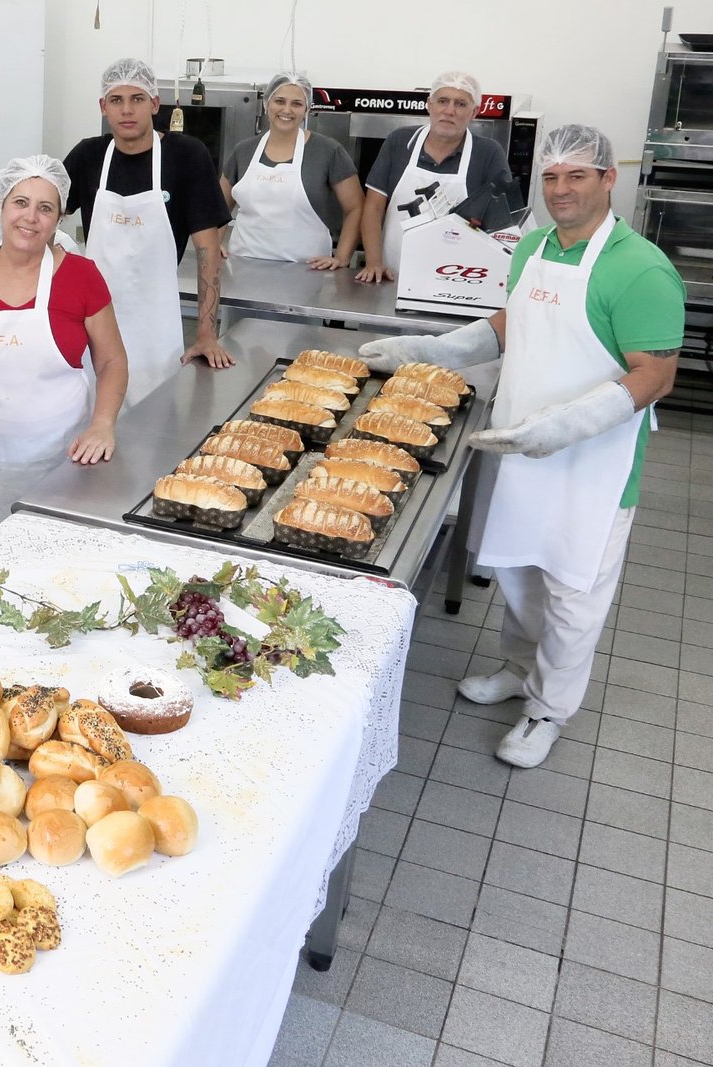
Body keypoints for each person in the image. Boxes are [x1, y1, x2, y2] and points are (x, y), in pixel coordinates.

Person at [358, 126, 685, 769]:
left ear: (608, 178)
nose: (561, 189)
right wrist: (436, 349)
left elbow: (655, 375)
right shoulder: (533, 245)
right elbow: (514, 325)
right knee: (518, 568)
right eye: (551, 177)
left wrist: (564, 426)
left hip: (592, 464)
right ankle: (517, 667)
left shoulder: (642, 268)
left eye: (577, 176)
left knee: (572, 591)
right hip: (517, 443)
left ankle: (547, 709)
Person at [0, 156, 129, 551]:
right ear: (2, 206)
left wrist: (103, 424)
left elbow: (112, 362)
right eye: (20, 202)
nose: (30, 217)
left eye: (45, 208)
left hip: (59, 463)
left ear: (59, 219)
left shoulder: (82, 277)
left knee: (52, 565)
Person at [63, 58, 234, 405]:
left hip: (156, 328)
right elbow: (44, 217)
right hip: (93, 324)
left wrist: (206, 332)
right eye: (116, 100)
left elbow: (207, 249)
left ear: (155, 104)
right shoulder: (88, 156)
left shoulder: (186, 156)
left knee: (153, 421)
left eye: (137, 99)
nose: (127, 110)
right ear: (103, 107)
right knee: (91, 417)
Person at [356, 70, 517, 285]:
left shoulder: (488, 153)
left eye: (461, 104)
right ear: (429, 104)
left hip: (458, 280)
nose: (449, 111)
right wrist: (374, 262)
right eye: (443, 101)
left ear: (474, 112)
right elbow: (373, 207)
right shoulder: (399, 142)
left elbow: (502, 226)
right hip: (391, 274)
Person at [220, 71, 362, 269]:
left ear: (307, 109)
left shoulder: (328, 151)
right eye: (279, 101)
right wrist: (213, 244)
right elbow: (218, 208)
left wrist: (342, 257)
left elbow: (356, 208)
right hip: (241, 265)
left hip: (307, 271)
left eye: (296, 104)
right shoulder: (244, 150)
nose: (287, 110)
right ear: (266, 104)